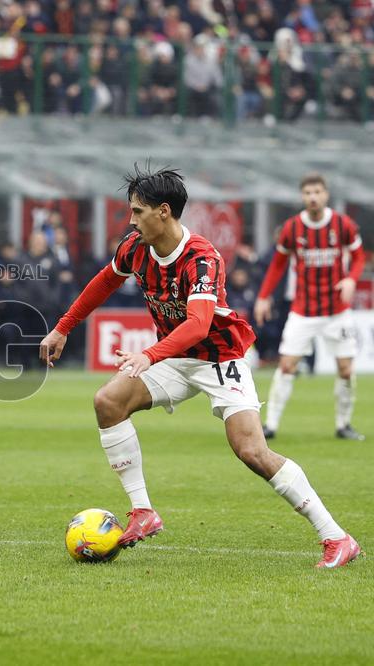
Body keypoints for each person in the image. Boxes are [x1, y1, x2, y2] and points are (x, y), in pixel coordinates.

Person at [39, 165, 360, 569]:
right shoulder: (135, 246)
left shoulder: (203, 257)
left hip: (219, 357)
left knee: (251, 451)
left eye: (138, 212)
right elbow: (105, 281)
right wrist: (63, 328)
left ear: (164, 212)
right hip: (173, 357)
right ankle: (143, 511)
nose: (131, 220)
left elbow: (199, 325)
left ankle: (336, 537)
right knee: (108, 402)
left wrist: (149, 355)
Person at [253, 173, 366, 441]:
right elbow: (279, 263)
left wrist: (351, 279)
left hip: (337, 311)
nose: (312, 197)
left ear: (325, 194)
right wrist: (263, 295)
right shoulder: (292, 228)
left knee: (346, 370)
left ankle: (343, 425)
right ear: (302, 197)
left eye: (317, 192)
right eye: (308, 193)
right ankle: (270, 425)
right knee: (287, 365)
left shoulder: (343, 224)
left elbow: (359, 257)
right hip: (303, 311)